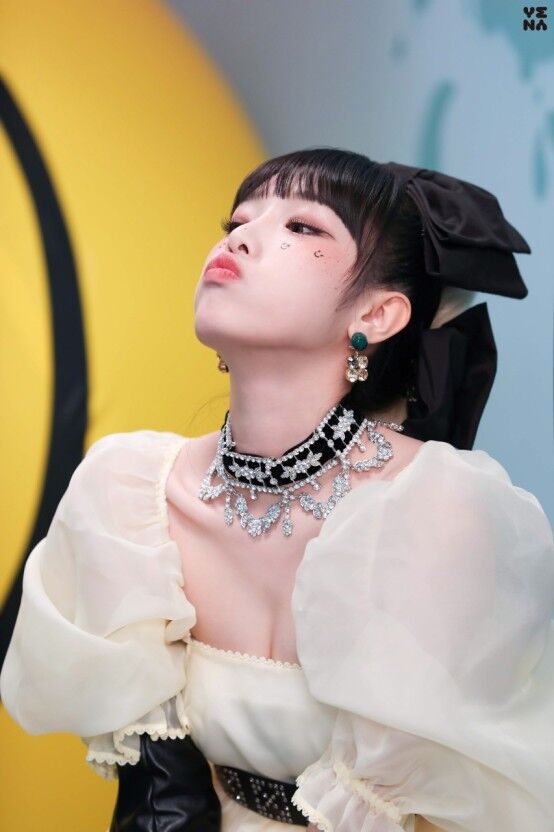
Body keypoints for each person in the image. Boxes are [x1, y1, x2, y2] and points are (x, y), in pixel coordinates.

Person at [1, 148, 553, 832]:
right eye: (238, 221)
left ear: (378, 315)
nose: (240, 238)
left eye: (302, 226)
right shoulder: (128, 494)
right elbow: (160, 801)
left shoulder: (434, 507)